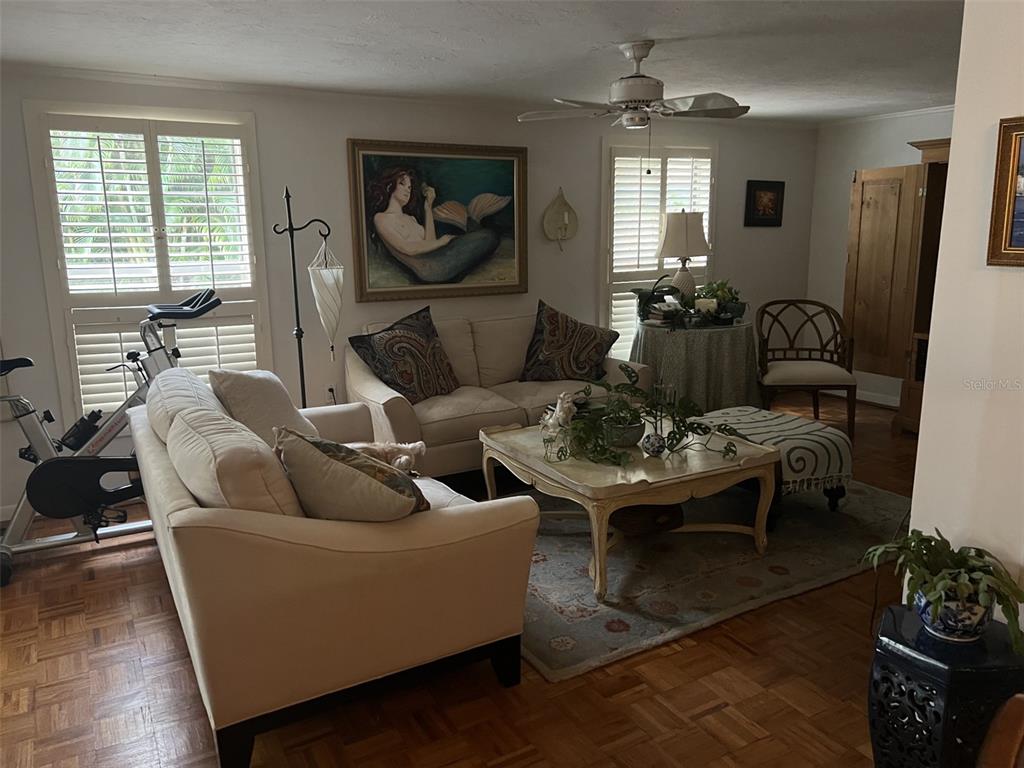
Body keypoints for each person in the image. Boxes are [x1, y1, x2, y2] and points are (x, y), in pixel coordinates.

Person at [365, 166, 500, 283]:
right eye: (402, 184)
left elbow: (430, 242)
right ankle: (471, 221)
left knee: (489, 236)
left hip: (438, 259)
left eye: (410, 187)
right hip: (431, 268)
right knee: (488, 236)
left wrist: (428, 207)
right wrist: (443, 241)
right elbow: (407, 248)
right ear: (389, 186)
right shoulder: (381, 218)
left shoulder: (411, 219)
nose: (408, 190)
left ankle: (471, 220)